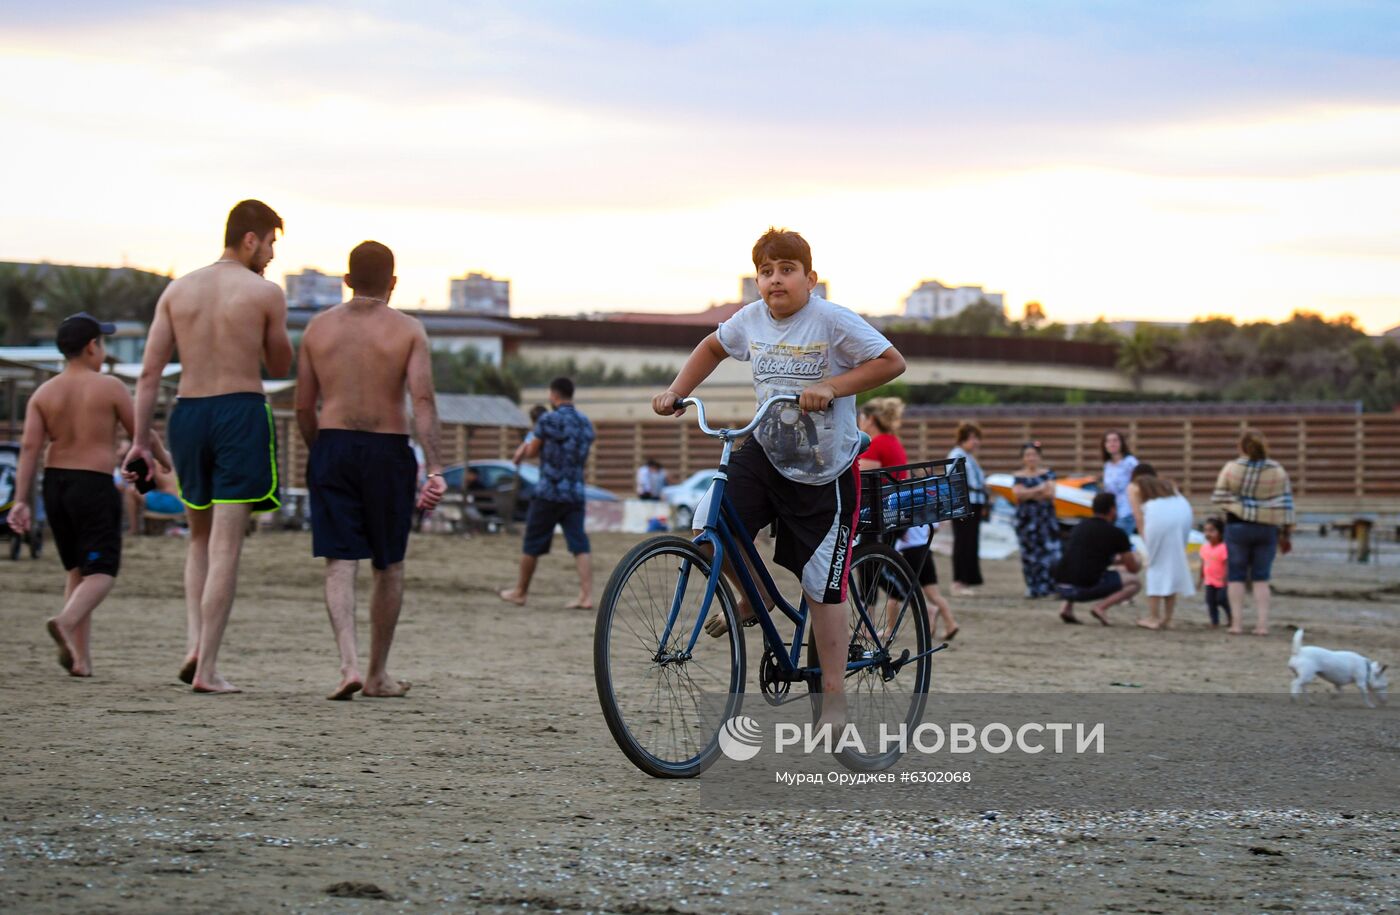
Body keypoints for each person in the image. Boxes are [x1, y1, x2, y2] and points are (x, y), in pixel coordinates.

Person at [652, 227, 906, 728]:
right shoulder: (750, 320)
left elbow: (891, 362)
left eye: (787, 270)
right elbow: (711, 346)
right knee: (708, 529)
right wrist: (676, 391)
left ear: (811, 279)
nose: (775, 280)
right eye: (765, 272)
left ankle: (833, 698)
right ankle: (760, 595)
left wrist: (832, 386)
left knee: (822, 587)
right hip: (767, 450)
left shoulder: (832, 321)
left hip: (824, 471)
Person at [125, 199, 294, 693]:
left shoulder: (178, 291)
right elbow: (280, 365)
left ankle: (195, 644)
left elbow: (151, 373)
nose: (270, 256)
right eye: (270, 245)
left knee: (198, 538)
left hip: (188, 413)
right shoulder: (264, 292)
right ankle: (208, 669)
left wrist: (139, 440)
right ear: (250, 239)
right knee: (226, 544)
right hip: (239, 410)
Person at [295, 241, 447, 700]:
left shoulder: (317, 329)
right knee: (389, 564)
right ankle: (378, 674)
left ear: (346, 281)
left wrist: (319, 449)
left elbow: (303, 405)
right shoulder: (408, 330)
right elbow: (422, 400)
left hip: (333, 443)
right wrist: (435, 465)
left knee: (340, 560)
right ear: (393, 283)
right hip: (388, 448)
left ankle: (349, 664)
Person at [9, 313, 172, 677]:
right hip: (93, 485)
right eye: (103, 343)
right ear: (91, 347)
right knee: (103, 571)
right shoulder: (109, 386)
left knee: (77, 569)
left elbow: (30, 451)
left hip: (55, 485)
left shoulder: (43, 394)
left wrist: (21, 500)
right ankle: (65, 622)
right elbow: (141, 433)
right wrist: (165, 461)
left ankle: (80, 660)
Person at [858, 398, 959, 642]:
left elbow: (863, 479)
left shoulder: (875, 443)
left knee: (868, 565)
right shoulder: (892, 441)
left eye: (861, 418)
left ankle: (911, 603)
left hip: (878, 513)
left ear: (870, 419)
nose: (859, 423)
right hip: (892, 513)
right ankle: (868, 623)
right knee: (870, 566)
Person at [499, 376, 597, 610]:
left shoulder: (547, 420)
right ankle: (586, 596)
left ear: (553, 395)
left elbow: (533, 451)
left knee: (532, 542)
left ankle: (520, 592)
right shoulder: (585, 423)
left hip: (549, 492)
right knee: (579, 544)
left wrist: (525, 446)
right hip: (575, 492)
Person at [1211, 429, 1294, 636]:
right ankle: (1262, 625)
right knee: (1261, 578)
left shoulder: (1232, 468)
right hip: (1267, 527)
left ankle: (1237, 624)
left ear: (1241, 447)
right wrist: (1287, 532)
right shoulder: (1277, 470)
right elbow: (1287, 503)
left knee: (1236, 577)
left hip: (1237, 525)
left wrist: (1234, 507)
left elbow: (1219, 496)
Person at [1053, 492, 1141, 625]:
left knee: (1078, 566)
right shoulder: (1116, 533)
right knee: (1135, 582)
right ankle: (1101, 607)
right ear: (1112, 510)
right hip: (1082, 589)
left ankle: (1066, 607)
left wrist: (1113, 560)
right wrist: (1132, 560)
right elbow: (1132, 567)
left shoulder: (1078, 527)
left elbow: (1086, 557)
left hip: (1060, 586)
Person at [1128, 463, 1195, 630]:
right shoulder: (1166, 484)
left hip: (1160, 520)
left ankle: (1153, 617)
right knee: (1173, 565)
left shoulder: (1133, 487)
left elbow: (1138, 517)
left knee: (1156, 567)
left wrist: (1146, 539)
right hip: (1183, 514)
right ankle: (1168, 618)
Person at [1012, 441, 1060, 598]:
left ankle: (1050, 586)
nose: (1031, 458)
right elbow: (1018, 494)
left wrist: (1029, 493)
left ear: (1039, 457)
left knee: (1049, 552)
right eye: (1027, 455)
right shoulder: (1018, 476)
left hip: (1045, 519)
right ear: (1022, 458)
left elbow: (1050, 493)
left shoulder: (1048, 473)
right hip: (1026, 520)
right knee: (1028, 553)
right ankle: (1033, 587)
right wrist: (1039, 489)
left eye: (1034, 455)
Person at [947, 421, 987, 596]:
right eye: (972, 438)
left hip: (975, 502)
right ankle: (958, 582)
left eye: (977, 438)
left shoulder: (969, 457)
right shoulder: (956, 455)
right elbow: (954, 481)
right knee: (963, 542)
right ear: (963, 439)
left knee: (970, 542)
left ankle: (967, 579)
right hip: (964, 503)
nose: (976, 442)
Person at [124, 458, 184, 534]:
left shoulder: (152, 461)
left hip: (171, 502)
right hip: (181, 504)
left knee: (130, 491)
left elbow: (146, 484)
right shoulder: (165, 457)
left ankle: (134, 529)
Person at [1099, 429, 1139, 536]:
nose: (1112, 444)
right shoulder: (1107, 465)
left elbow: (1138, 485)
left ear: (1121, 443)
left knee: (1119, 544)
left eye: (1115, 440)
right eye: (1108, 441)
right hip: (1112, 513)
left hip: (1127, 512)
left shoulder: (1130, 462)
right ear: (1105, 445)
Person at [1197, 517, 1232, 628]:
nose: (1208, 534)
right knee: (1210, 601)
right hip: (1209, 581)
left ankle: (1231, 616)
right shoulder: (1204, 548)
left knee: (1222, 599)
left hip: (1222, 581)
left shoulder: (1224, 547)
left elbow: (1227, 564)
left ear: (1221, 532)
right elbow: (1202, 565)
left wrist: (1226, 579)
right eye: (1206, 530)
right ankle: (1214, 621)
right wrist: (1200, 580)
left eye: (1212, 530)